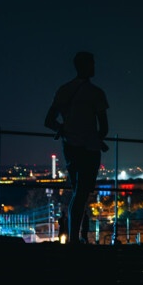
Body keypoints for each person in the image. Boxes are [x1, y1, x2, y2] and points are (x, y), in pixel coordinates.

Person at [45, 51, 109, 245]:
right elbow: (104, 128)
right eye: (93, 64)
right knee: (82, 192)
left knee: (77, 192)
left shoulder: (63, 90)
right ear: (88, 66)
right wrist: (94, 136)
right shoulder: (96, 93)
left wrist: (63, 129)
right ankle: (76, 238)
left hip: (70, 147)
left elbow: (49, 120)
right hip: (89, 149)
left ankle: (74, 237)